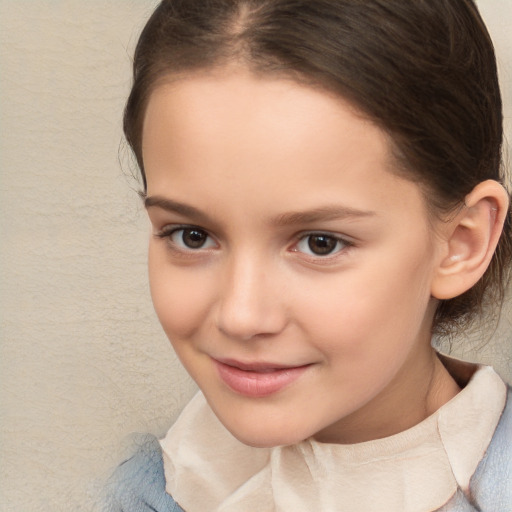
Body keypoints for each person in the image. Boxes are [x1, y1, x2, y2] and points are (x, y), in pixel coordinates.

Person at [104, 0, 512, 510]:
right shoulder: (147, 489)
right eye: (191, 235)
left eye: (321, 243)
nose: (241, 315)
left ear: (461, 244)